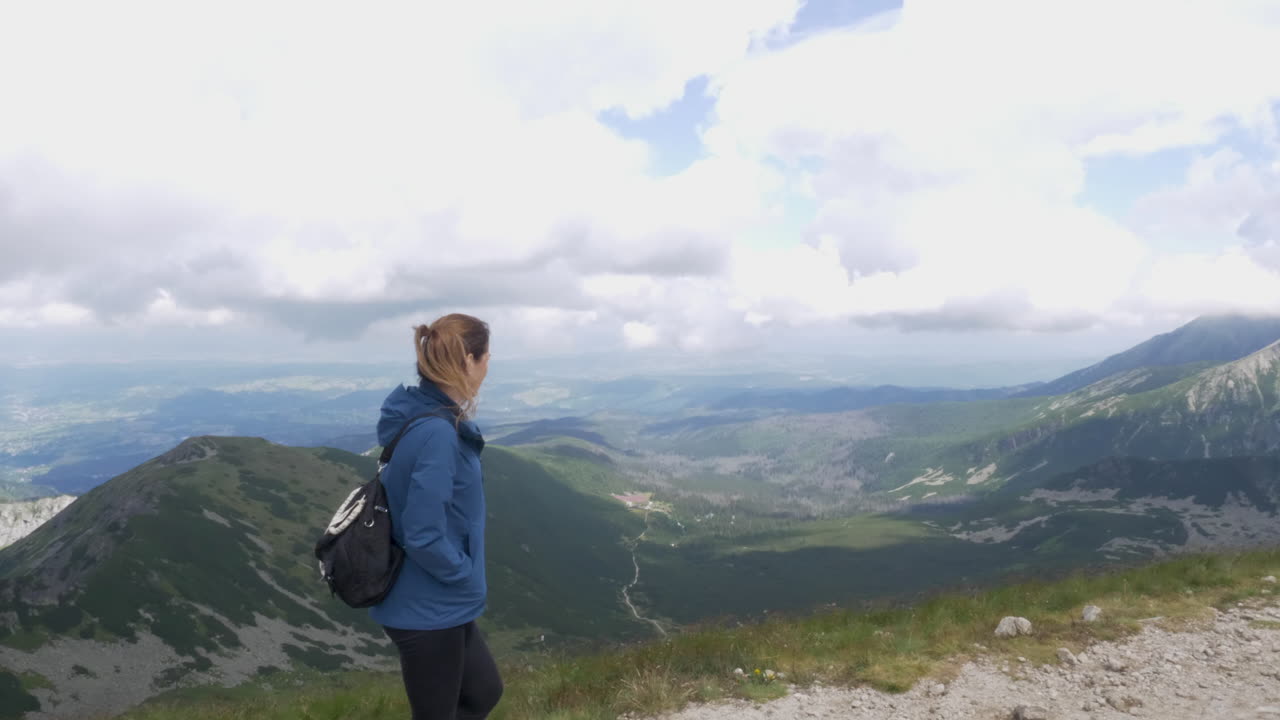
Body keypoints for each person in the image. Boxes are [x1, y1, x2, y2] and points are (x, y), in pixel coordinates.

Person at [370, 313, 502, 720]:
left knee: (483, 693)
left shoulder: (423, 415)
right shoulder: (438, 434)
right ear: (468, 361)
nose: (489, 363)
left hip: (439, 600)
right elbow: (424, 533)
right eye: (484, 356)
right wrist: (463, 575)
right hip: (427, 606)